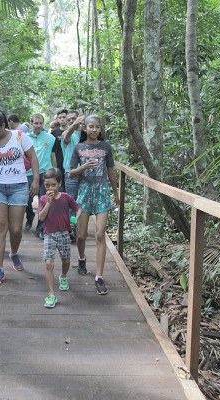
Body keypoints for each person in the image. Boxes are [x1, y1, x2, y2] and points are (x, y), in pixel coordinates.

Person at [0, 111, 39, 285]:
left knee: (16, 229)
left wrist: (35, 179)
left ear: (4, 126)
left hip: (19, 186)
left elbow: (33, 157)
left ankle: (14, 253)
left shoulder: (19, 137)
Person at [69, 114, 119, 295]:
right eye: (91, 126)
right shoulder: (79, 148)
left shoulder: (106, 147)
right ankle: (82, 259)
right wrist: (83, 167)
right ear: (85, 128)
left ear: (100, 129)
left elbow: (111, 171)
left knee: (99, 235)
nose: (94, 130)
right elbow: (71, 174)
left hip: (102, 192)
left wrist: (116, 192)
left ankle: (99, 277)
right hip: (84, 192)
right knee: (81, 235)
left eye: (97, 127)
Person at [38, 168, 80, 308]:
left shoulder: (66, 197)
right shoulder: (43, 199)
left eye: (53, 185)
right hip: (49, 233)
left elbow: (78, 209)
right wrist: (49, 203)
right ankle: (51, 294)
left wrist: (75, 220)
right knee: (49, 263)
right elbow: (41, 217)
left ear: (59, 184)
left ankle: (63, 276)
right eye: (47, 185)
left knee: (66, 260)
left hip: (64, 233)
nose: (50, 188)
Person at [25, 113, 57, 239]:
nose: (38, 126)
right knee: (26, 201)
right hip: (29, 173)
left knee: (44, 201)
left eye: (40, 123)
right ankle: (29, 216)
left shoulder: (50, 138)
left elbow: (53, 155)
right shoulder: (24, 138)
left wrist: (55, 171)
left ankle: (40, 229)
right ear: (31, 123)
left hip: (45, 173)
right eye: (36, 123)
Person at [61, 111, 85, 241]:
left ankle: (82, 228)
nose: (70, 121)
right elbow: (67, 135)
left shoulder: (85, 134)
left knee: (84, 202)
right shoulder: (66, 133)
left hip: (86, 173)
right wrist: (76, 123)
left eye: (73, 119)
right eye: (68, 119)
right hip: (71, 173)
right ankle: (72, 228)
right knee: (72, 203)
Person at [50, 109, 69, 190]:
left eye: (64, 117)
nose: (62, 119)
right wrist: (54, 167)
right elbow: (52, 151)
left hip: (70, 164)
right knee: (60, 188)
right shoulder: (54, 132)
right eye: (60, 117)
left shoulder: (73, 131)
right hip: (58, 163)